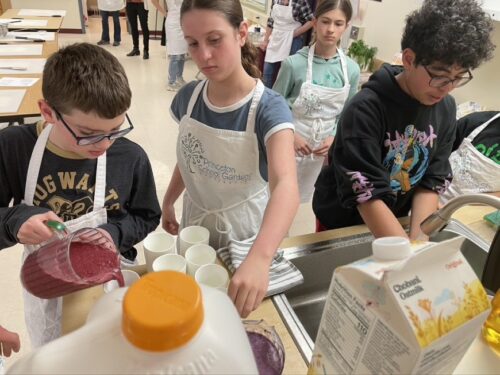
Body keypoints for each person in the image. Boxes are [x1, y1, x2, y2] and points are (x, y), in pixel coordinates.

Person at [0, 43, 162, 347]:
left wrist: (112, 233)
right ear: (48, 112)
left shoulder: (129, 157)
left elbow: (147, 215)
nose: (104, 144)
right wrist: (15, 221)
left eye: (115, 130)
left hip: (106, 280)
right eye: (88, 133)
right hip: (46, 283)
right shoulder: (14, 147)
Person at [312, 0, 494, 240]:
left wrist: (419, 241)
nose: (447, 88)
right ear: (408, 60)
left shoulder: (446, 108)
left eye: (458, 77)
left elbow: (432, 180)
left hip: (396, 218)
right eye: (439, 76)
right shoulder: (365, 109)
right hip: (342, 223)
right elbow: (367, 193)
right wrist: (407, 253)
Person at [162, 0, 299, 318]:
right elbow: (190, 157)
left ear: (240, 34)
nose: (203, 56)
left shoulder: (268, 108)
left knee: (236, 317)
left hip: (246, 236)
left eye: (214, 40)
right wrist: (169, 201)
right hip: (196, 222)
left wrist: (260, 258)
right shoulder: (188, 98)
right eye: (193, 43)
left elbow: (286, 184)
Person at [273, 0, 360, 203]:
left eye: (338, 24)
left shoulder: (351, 70)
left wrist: (333, 137)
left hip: (322, 151)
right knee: (277, 197)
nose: (330, 29)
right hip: (289, 143)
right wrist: (291, 135)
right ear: (314, 22)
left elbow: (348, 114)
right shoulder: (293, 64)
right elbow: (273, 107)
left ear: (346, 26)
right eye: (325, 21)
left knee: (307, 199)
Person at [440, 111, 500, 203]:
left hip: (479, 210)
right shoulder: (476, 121)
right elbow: (432, 160)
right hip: (434, 198)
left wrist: (466, 204)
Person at [260, 0, 314, 88]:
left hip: (293, 40)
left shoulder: (300, 2)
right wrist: (265, 40)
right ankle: (267, 97)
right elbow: (271, 20)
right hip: (276, 38)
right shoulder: (275, 1)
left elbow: (311, 21)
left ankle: (281, 99)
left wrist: (294, 33)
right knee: (267, 71)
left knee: (287, 73)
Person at [151, 0, 188, 91]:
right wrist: (164, 13)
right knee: (175, 54)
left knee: (182, 53)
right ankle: (171, 81)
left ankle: (179, 77)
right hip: (173, 24)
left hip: (184, 22)